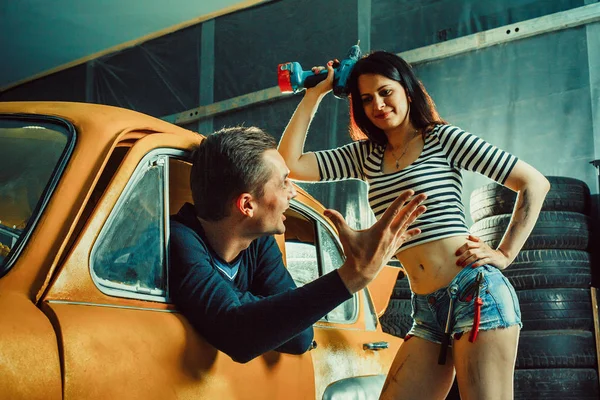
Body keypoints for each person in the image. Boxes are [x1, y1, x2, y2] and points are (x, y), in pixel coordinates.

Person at [277, 51, 550, 399]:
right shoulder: (366, 156)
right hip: (427, 310)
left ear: (407, 90)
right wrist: (314, 94)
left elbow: (534, 183)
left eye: (385, 91)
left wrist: (504, 253)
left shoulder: (442, 139)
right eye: (366, 98)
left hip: (474, 293)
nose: (378, 104)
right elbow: (289, 163)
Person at [168, 125, 427, 364]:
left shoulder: (259, 245)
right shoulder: (177, 239)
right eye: (283, 183)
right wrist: (350, 277)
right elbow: (238, 337)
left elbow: (301, 337)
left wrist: (240, 306)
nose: (292, 191)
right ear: (247, 205)